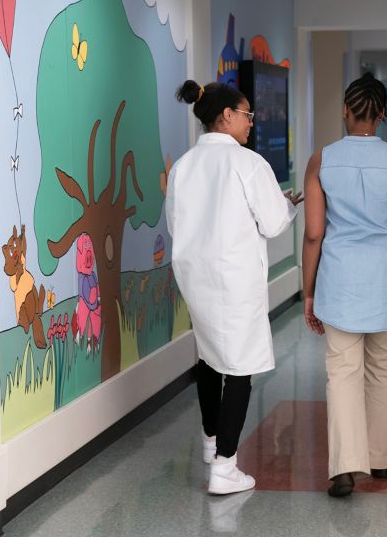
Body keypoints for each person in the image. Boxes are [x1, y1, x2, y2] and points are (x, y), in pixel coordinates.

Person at [167, 79, 302, 495]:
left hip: (195, 275)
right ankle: (226, 467)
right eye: (247, 115)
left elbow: (176, 223)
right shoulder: (248, 164)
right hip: (235, 277)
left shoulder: (184, 166)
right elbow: (273, 222)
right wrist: (290, 206)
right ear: (226, 115)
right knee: (240, 366)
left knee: (209, 357)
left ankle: (211, 443)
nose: (250, 123)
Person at [302, 72, 387, 497]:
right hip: (386, 279)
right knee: (384, 368)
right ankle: (381, 460)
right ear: (383, 113)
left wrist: (309, 291)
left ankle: (345, 468)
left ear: (346, 111)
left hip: (339, 278)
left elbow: (314, 233)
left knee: (342, 372)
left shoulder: (321, 160)